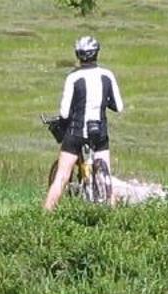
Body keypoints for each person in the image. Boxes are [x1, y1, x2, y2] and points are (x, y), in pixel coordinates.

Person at [44, 34, 123, 211]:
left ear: (78, 55)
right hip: (99, 132)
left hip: (76, 132)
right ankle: (111, 214)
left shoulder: (73, 77)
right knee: (106, 176)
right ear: (97, 54)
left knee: (62, 176)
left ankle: (45, 217)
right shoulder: (107, 75)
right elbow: (119, 106)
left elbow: (64, 113)